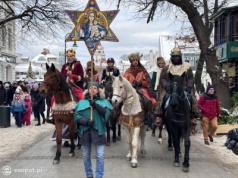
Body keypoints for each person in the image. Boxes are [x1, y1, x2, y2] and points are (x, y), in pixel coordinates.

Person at [74, 82, 113, 178]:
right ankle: (89, 175)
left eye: (95, 88)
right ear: (87, 90)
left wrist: (96, 106)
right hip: (85, 132)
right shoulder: (81, 102)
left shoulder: (104, 102)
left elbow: (107, 114)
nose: (93, 89)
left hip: (98, 131)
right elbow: (76, 116)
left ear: (98, 90)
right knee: (86, 156)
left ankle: (99, 176)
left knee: (100, 156)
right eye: (91, 88)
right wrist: (85, 121)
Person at [160, 48, 200, 123]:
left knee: (191, 98)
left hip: (183, 88)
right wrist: (166, 86)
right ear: (172, 57)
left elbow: (191, 77)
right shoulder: (167, 67)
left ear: (180, 57)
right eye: (174, 56)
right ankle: (161, 117)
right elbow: (163, 78)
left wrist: (188, 86)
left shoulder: (187, 67)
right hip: (170, 88)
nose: (176, 58)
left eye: (177, 56)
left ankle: (192, 116)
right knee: (163, 98)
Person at [151, 57, 166, 125]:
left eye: (163, 63)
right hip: (157, 88)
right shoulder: (155, 71)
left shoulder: (166, 70)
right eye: (160, 64)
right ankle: (158, 117)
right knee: (157, 100)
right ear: (158, 64)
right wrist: (153, 88)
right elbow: (153, 80)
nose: (162, 65)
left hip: (165, 88)